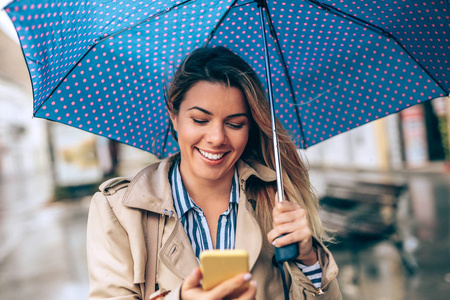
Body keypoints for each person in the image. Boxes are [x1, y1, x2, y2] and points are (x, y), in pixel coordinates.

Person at [87, 46, 341, 300]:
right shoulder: (119, 211)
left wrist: (308, 259)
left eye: (234, 124)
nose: (217, 138)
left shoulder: (278, 198)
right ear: (174, 117)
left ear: (250, 127)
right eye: (200, 120)